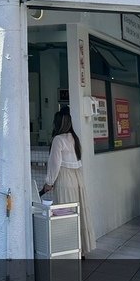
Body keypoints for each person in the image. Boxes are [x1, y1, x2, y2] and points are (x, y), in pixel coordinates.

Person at [40, 108, 97, 256]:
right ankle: (82, 250)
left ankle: (68, 251)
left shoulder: (58, 140)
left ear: (57, 124)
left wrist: (49, 182)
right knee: (79, 213)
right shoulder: (75, 138)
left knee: (65, 213)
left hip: (65, 179)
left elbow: (55, 163)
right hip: (78, 179)